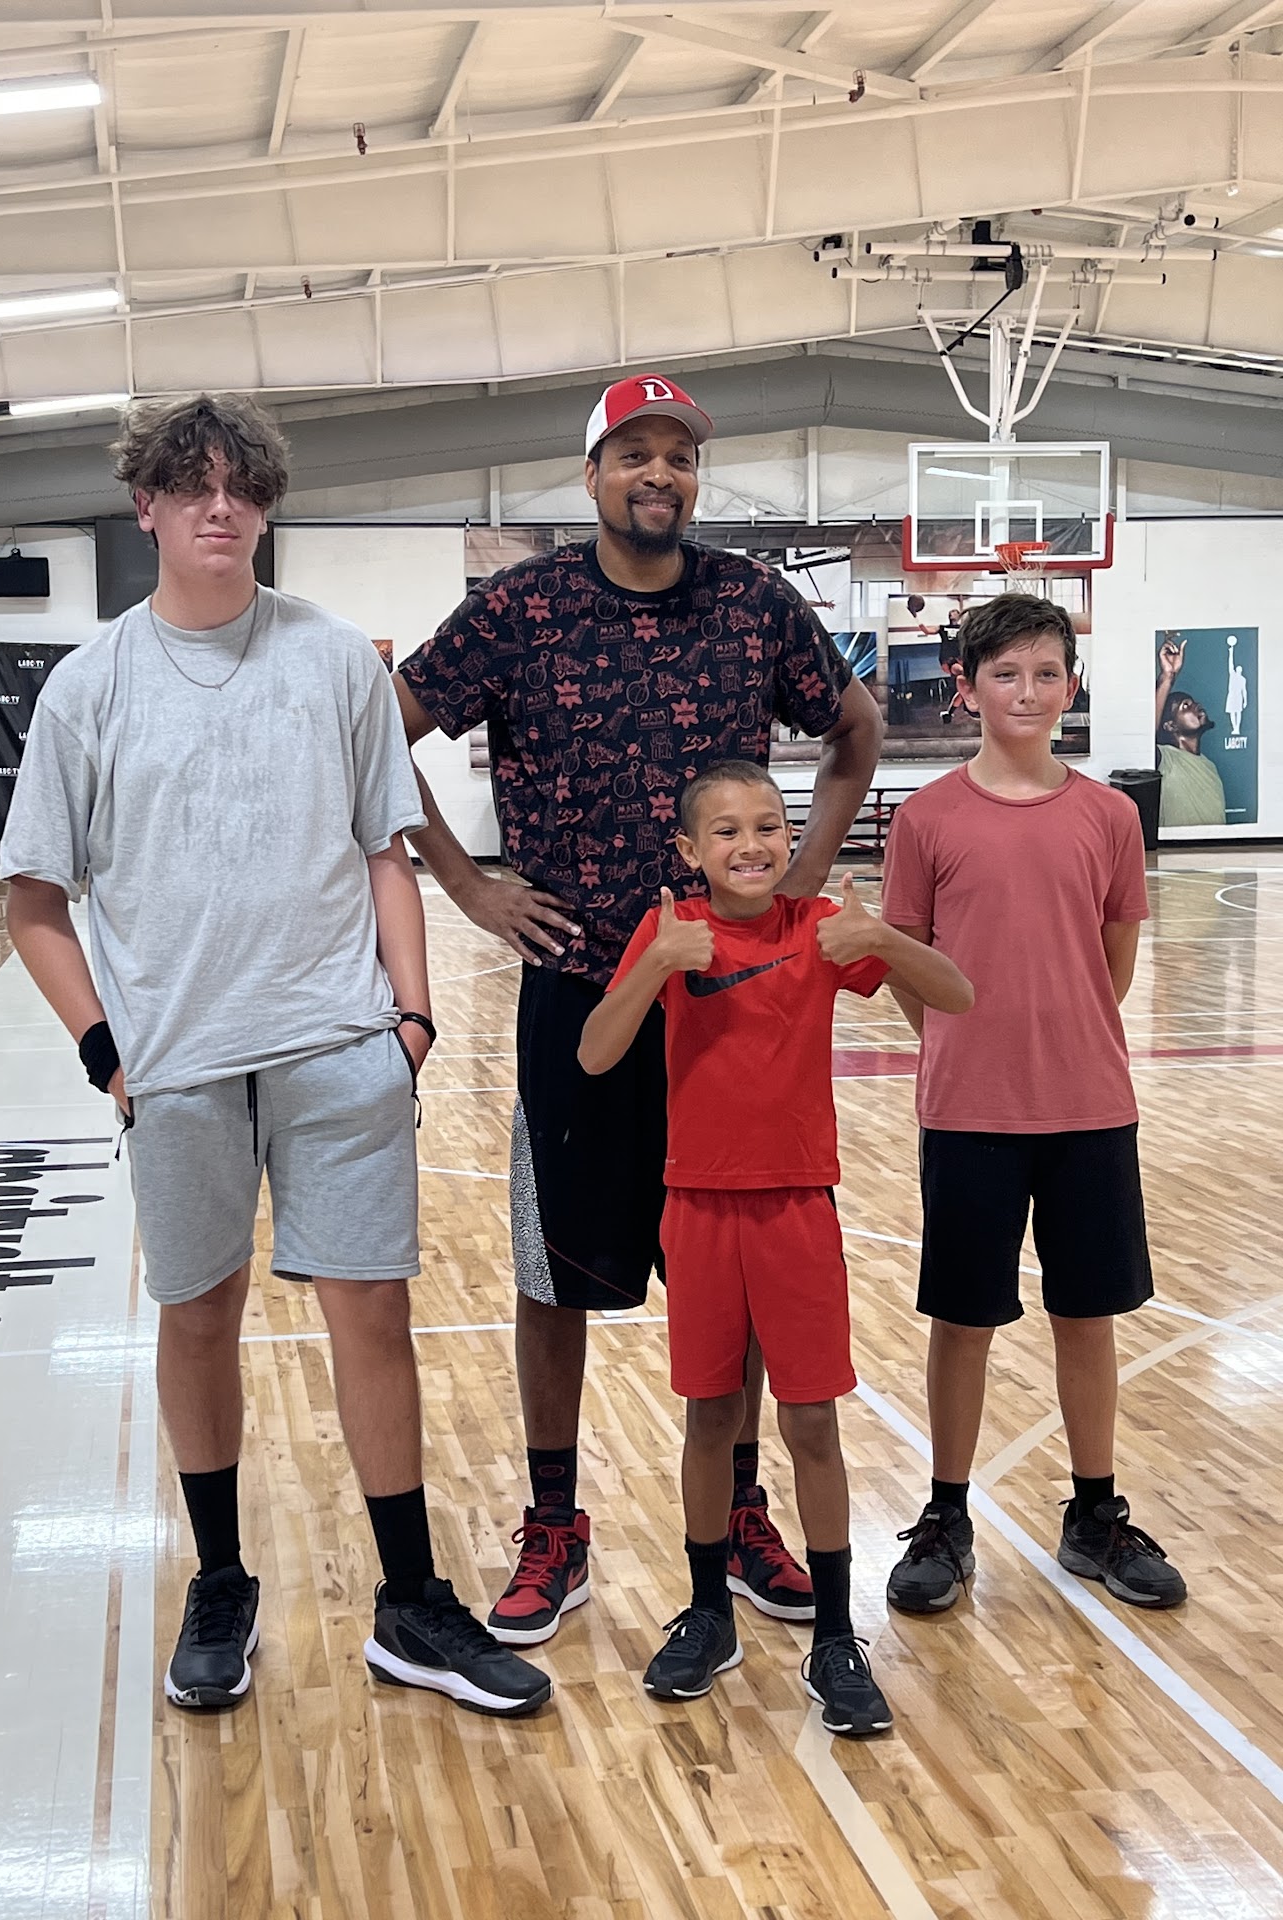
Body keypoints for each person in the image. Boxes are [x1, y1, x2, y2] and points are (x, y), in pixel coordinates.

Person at [0, 394, 550, 1719]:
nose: (220, 508)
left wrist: (411, 1021)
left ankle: (411, 1601)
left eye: (242, 488)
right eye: (192, 487)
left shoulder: (336, 661)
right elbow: (33, 902)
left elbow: (386, 850)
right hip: (179, 1068)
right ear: (145, 507)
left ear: (265, 507)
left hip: (340, 1049)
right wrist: (107, 1054)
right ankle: (221, 1580)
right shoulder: (90, 687)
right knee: (199, 1317)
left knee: (373, 1316)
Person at [393, 373, 883, 1645]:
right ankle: (555, 1522)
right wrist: (468, 884)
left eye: (679, 455)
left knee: (741, 1266)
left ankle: (740, 1507)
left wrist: (803, 876)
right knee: (554, 1270)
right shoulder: (520, 608)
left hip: (729, 1004)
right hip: (581, 984)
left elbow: (855, 729)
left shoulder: (753, 603)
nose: (659, 473)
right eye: (634, 453)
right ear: (593, 475)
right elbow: (378, 728)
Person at [577, 762, 972, 1732]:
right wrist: (657, 965)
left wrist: (882, 938)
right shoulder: (674, 932)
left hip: (798, 1208)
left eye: (768, 826)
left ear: (789, 837)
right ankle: (708, 1611)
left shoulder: (818, 928)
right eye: (726, 831)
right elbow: (594, 1051)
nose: (750, 845)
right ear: (688, 850)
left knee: (812, 1426)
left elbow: (958, 996)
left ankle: (836, 1634)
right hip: (697, 1209)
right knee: (711, 1418)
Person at [881, 593, 1187, 1616]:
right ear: (966, 689)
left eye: (1045, 673)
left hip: (1089, 1108)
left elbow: (1114, 963)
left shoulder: (1109, 817)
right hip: (968, 1112)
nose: (1026, 691)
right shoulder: (926, 819)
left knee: (1086, 1315)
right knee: (962, 1319)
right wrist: (967, 1047)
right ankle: (946, 1516)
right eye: (1004, 673)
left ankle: (1095, 1512)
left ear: (1071, 686)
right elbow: (909, 964)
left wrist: (1061, 1039)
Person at [1155, 634, 1225, 828]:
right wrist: (1168, 677)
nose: (1196, 705)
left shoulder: (1209, 766)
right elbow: (1144, 735)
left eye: (1193, 702)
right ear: (1170, 726)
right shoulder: (1164, 758)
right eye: (1185, 706)